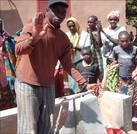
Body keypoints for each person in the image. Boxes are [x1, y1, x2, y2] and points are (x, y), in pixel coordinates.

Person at [14, 0, 97, 133]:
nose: (60, 14)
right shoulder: (31, 27)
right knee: (28, 128)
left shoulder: (63, 38)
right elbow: (18, 49)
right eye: (56, 10)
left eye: (63, 11)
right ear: (47, 11)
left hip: (48, 86)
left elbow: (68, 66)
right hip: (27, 84)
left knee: (46, 127)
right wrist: (34, 38)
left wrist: (85, 84)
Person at [112, 31, 137, 123]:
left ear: (130, 40)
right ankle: (122, 116)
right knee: (121, 97)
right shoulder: (116, 49)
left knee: (132, 98)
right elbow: (115, 60)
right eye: (122, 41)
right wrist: (113, 67)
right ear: (119, 41)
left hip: (131, 79)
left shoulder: (135, 49)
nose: (124, 43)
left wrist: (136, 71)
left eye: (126, 41)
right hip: (121, 79)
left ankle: (133, 116)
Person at [0, 18, 16, 110]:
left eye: (1, 24)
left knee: (10, 84)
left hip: (7, 67)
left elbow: (13, 48)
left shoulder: (7, 37)